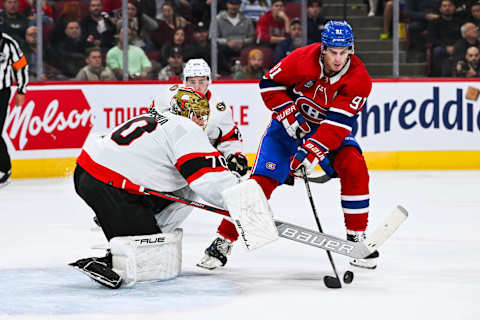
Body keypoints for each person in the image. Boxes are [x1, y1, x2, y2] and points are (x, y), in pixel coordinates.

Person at [200, 20, 378, 270]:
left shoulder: (359, 79)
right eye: (333, 52)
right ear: (323, 49)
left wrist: (311, 152)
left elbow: (337, 124)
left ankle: (356, 237)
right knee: (260, 183)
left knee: (354, 165)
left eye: (344, 52)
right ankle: (222, 241)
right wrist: (288, 113)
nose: (338, 59)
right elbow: (268, 85)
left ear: (351, 50)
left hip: (326, 132)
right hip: (285, 131)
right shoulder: (302, 59)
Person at [69, 87, 240, 288]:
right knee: (147, 254)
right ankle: (114, 257)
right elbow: (210, 181)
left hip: (87, 171)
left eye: (204, 115)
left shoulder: (159, 117)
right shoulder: (185, 128)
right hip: (108, 185)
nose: (201, 121)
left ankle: (116, 219)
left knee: (185, 190)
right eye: (196, 114)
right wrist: (242, 202)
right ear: (184, 112)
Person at [0, 32, 28, 188]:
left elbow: (21, 66)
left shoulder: (8, 43)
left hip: (1, 92)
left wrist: (21, 90)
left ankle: (4, 168)